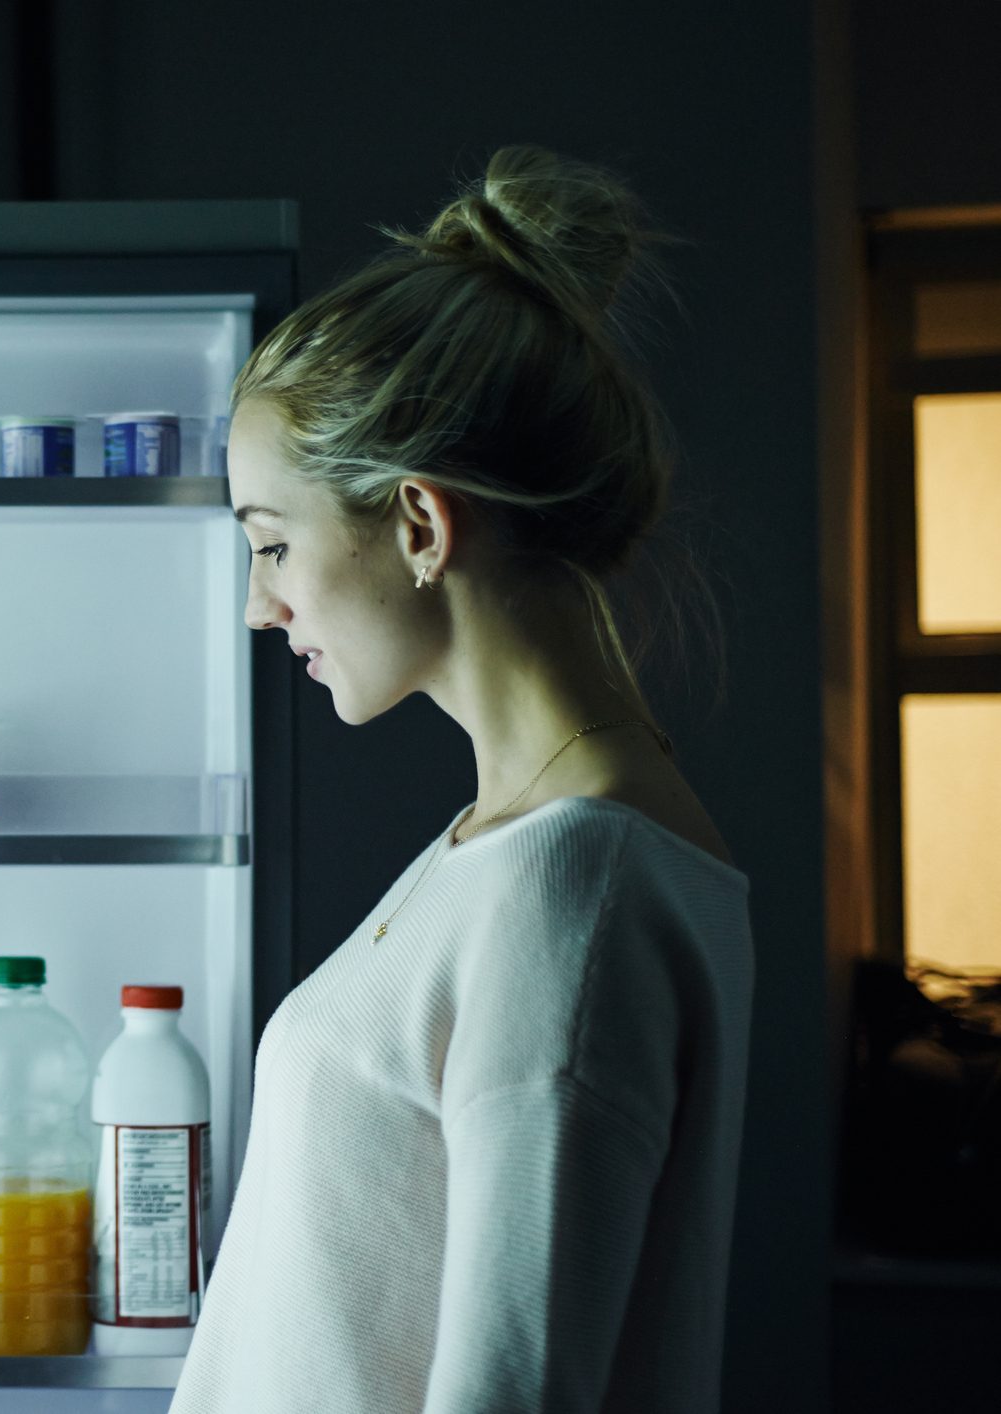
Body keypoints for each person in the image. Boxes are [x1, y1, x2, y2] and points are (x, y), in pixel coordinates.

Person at [170, 146, 754, 1412]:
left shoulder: (572, 887)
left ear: (422, 526)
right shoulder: (517, 849)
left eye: (272, 543)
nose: (260, 608)